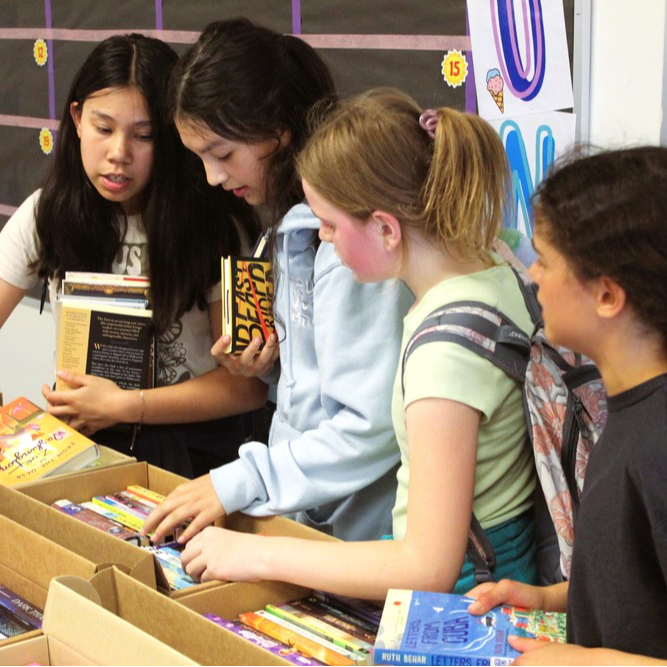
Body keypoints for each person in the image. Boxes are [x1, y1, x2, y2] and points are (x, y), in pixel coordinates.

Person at [147, 88, 538, 599]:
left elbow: (427, 566)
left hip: (467, 597)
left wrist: (255, 552)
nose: (324, 241)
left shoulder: (445, 352)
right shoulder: (496, 268)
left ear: (385, 228)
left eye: (329, 225)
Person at [142, 20, 412, 544]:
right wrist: (270, 368)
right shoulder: (293, 225)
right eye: (200, 158)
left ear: (278, 130)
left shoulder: (348, 240)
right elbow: (324, 384)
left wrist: (241, 480)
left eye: (221, 154)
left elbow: (370, 423)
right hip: (316, 519)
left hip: (362, 533)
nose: (213, 178)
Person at [0, 34, 266, 477]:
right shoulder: (46, 214)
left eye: (143, 136)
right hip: (81, 443)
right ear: (77, 119)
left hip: (195, 454)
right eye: (103, 129)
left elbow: (248, 388)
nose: (119, 154)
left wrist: (125, 406)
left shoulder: (218, 224)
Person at [467, 147, 667, 665]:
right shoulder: (624, 410)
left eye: (545, 260)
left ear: (606, 295)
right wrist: (551, 601)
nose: (532, 276)